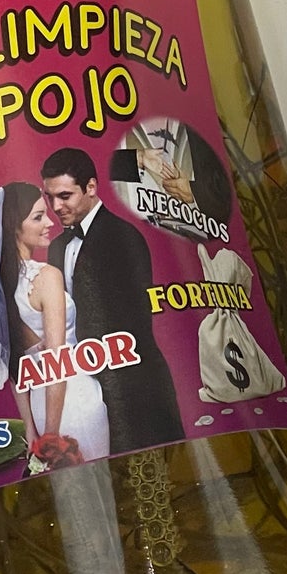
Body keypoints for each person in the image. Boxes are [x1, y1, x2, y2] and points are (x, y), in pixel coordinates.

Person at [41, 146, 184, 453]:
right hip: (83, 388)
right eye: (49, 197)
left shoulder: (123, 236)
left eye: (64, 196)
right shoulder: (57, 247)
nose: (55, 207)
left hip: (135, 391)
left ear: (91, 187)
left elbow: (136, 325)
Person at [0, 180, 109, 463]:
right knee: (100, 478)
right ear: (14, 227)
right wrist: (52, 437)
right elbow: (57, 364)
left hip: (39, 405)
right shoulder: (47, 277)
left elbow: (16, 368)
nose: (49, 222)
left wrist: (33, 433)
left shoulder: (3, 290)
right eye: (38, 217)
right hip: (73, 399)